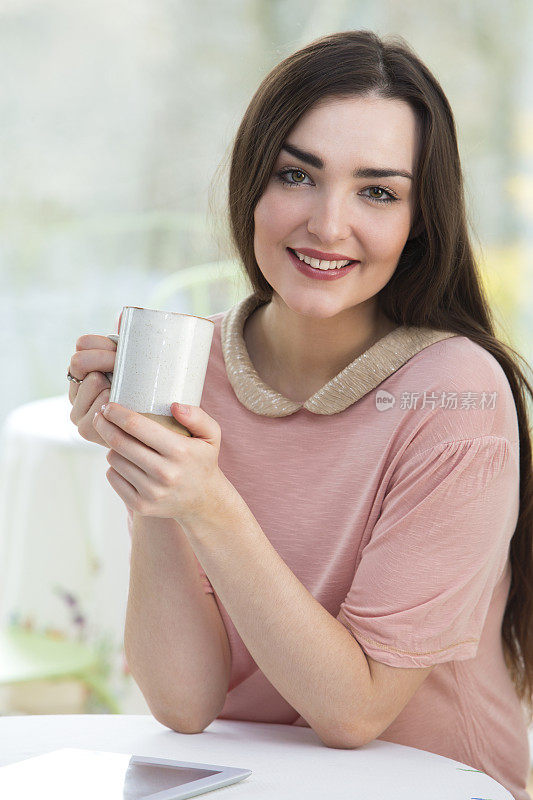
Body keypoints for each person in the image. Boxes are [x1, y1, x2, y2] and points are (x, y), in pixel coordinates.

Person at [68, 30, 533, 800]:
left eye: (377, 191)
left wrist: (208, 502)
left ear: (419, 219)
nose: (326, 224)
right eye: (297, 175)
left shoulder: (455, 391)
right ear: (253, 181)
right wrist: (154, 485)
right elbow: (185, 705)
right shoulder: (195, 363)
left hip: (435, 786)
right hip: (251, 784)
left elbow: (354, 712)